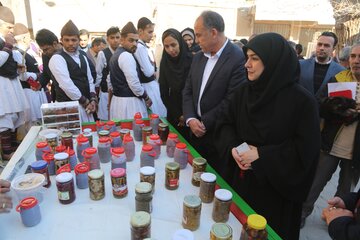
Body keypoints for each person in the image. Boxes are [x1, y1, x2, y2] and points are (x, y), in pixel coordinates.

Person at [214, 32, 320, 239]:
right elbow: (225, 124)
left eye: (254, 59)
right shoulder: (243, 92)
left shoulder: (302, 102)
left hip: (276, 194)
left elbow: (306, 152)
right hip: (241, 180)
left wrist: (263, 155)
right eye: (247, 58)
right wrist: (234, 148)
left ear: (273, 62)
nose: (247, 64)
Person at [301, 43, 360, 228]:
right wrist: (341, 109)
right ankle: (301, 214)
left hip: (356, 153)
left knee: (345, 191)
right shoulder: (340, 77)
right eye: (353, 56)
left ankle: (336, 221)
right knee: (314, 184)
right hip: (330, 146)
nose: (356, 61)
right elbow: (321, 104)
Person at [182, 10, 246, 174]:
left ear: (213, 33)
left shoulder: (237, 58)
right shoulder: (198, 57)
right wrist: (190, 119)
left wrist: (204, 123)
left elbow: (231, 99)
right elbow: (188, 90)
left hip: (217, 137)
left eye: (199, 35)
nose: (196, 40)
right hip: (194, 131)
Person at [49, 20, 97, 122]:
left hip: (86, 107)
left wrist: (93, 98)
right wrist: (85, 101)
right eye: (67, 40)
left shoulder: (83, 56)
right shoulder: (57, 58)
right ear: (61, 40)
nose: (70, 43)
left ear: (78, 40)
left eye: (74, 40)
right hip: (67, 107)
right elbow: (67, 85)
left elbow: (90, 79)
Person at [0, 6, 28, 161]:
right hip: (2, 86)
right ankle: (6, 151)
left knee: (15, 115)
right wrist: (8, 46)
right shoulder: (6, 43)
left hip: (10, 83)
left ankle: (13, 145)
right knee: (5, 117)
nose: (11, 31)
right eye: (9, 27)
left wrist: (16, 67)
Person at [108, 22, 151, 120]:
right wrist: (146, 97)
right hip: (130, 104)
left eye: (136, 41)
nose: (134, 44)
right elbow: (134, 84)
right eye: (131, 40)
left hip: (117, 102)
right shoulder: (126, 56)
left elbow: (109, 82)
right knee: (132, 132)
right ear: (122, 40)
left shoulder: (116, 54)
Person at [159, 28, 192, 138]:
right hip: (174, 111)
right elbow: (164, 92)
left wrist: (188, 115)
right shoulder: (165, 62)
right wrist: (178, 115)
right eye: (166, 46)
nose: (170, 50)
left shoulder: (191, 60)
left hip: (192, 113)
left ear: (180, 43)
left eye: (173, 45)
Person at [13, 23, 48, 128]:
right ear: (24, 38)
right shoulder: (17, 53)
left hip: (35, 92)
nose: (31, 40)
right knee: (33, 124)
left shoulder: (26, 52)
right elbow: (22, 75)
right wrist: (37, 75)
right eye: (29, 37)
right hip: (29, 93)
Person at [134, 17, 167, 117]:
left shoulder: (143, 46)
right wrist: (153, 67)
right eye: (149, 32)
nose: (152, 35)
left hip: (150, 85)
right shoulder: (139, 47)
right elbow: (148, 71)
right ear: (140, 31)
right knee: (156, 115)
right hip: (147, 86)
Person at [299, 31, 345, 101]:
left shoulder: (340, 71)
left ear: (333, 49)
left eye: (326, 45)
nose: (321, 48)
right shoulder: (300, 65)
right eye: (319, 44)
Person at [96, 26, 120, 121]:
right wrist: (97, 92)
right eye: (112, 38)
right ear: (107, 39)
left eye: (117, 37)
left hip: (120, 93)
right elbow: (98, 74)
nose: (115, 40)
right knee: (106, 120)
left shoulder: (124, 52)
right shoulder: (102, 53)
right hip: (106, 92)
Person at [35, 28, 63, 102]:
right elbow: (46, 74)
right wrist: (40, 83)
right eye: (43, 50)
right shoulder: (46, 55)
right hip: (57, 96)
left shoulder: (69, 52)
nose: (44, 52)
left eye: (46, 49)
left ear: (54, 44)